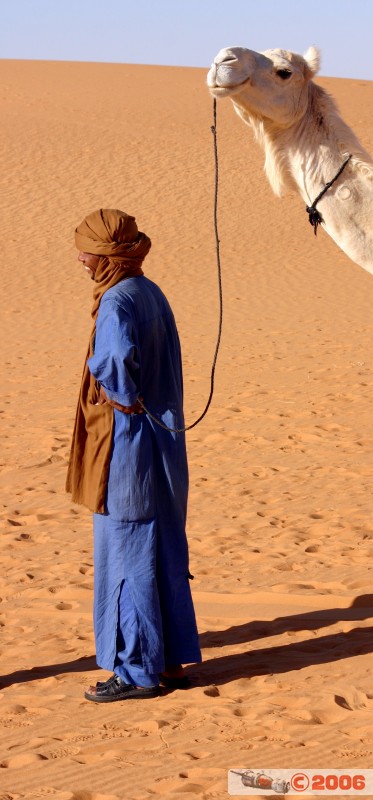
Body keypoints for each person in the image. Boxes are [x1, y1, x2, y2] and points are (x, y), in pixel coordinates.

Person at [66, 208, 201, 702]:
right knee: (161, 548)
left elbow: (117, 366)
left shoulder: (118, 301)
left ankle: (136, 671)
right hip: (163, 449)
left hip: (129, 451)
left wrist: (121, 396)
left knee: (127, 556)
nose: (82, 259)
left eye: (90, 252)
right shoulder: (150, 291)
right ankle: (168, 663)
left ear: (111, 256)